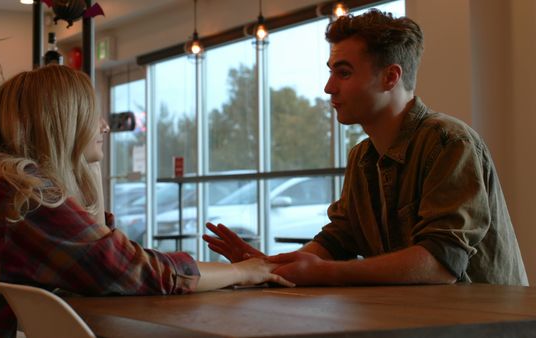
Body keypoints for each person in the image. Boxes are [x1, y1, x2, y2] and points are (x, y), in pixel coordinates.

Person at [0, 65, 293, 338]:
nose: (104, 125)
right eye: (92, 114)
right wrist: (244, 272)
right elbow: (128, 269)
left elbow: (102, 251)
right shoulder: (17, 190)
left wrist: (82, 169)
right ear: (63, 122)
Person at [204, 9, 528, 286]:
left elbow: (442, 263)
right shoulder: (362, 156)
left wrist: (326, 273)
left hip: (489, 324)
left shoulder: (449, 141)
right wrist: (268, 268)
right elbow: (340, 238)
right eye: (331, 72)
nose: (329, 87)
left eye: (343, 73)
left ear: (390, 77)